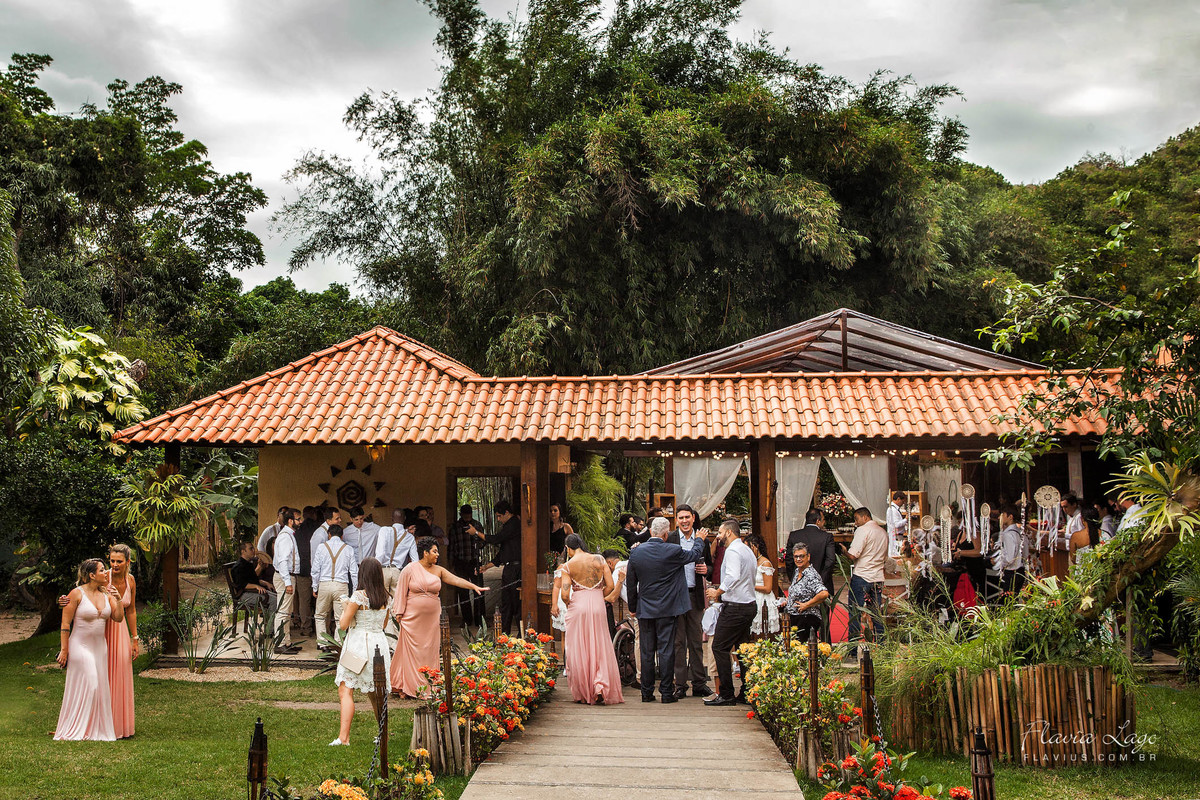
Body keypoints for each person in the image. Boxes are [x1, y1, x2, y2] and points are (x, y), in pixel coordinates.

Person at [624, 516, 710, 703]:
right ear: (665, 534)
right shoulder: (673, 550)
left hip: (645, 608)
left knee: (647, 651)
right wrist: (699, 540)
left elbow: (631, 583)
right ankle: (666, 693)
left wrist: (633, 607)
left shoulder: (637, 553)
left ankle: (646, 693)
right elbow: (694, 555)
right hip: (667, 608)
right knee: (666, 649)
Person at [391, 536, 487, 697]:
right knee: (413, 651)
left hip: (432, 617)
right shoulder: (410, 568)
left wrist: (473, 586)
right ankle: (408, 686)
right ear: (425, 552)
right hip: (412, 618)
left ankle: (428, 684)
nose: (437, 555)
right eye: (434, 551)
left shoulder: (439, 570)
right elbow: (401, 591)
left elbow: (456, 580)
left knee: (429, 649)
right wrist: (399, 613)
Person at [55, 559, 123, 741]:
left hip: (100, 648)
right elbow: (65, 624)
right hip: (80, 645)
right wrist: (64, 650)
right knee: (92, 683)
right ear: (92, 575)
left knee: (100, 688)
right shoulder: (76, 594)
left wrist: (118, 598)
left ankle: (94, 730)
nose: (106, 572)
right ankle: (76, 729)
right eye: (102, 570)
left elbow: (118, 618)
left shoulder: (107, 595)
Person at [329, 557, 392, 746]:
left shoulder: (358, 596)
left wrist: (346, 607)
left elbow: (343, 624)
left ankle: (344, 737)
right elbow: (384, 623)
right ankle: (383, 735)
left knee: (345, 688)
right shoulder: (386, 597)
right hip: (378, 645)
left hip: (358, 646)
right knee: (376, 693)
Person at [560, 534, 624, 705]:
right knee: (600, 644)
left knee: (579, 647)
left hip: (578, 606)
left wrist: (570, 603)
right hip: (598, 604)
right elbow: (610, 586)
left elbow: (565, 594)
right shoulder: (599, 559)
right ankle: (600, 684)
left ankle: (584, 691)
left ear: (569, 548)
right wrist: (596, 596)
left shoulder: (567, 566)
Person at [703, 519, 757, 706]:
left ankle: (726, 693)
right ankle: (748, 690)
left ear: (728, 532)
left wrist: (718, 591)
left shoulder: (733, 550)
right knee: (742, 649)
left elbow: (732, 575)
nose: (717, 536)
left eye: (719, 532)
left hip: (735, 607)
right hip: (747, 604)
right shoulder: (746, 550)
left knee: (719, 647)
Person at [667, 505, 712, 699]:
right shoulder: (670, 539)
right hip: (676, 595)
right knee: (678, 642)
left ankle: (699, 683)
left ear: (693, 518)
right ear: (676, 520)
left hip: (695, 595)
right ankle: (680, 684)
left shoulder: (702, 540)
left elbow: (710, 564)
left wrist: (706, 570)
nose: (684, 521)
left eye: (687, 517)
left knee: (695, 641)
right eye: (681, 518)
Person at [104, 545, 138, 739]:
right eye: (112, 561)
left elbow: (131, 610)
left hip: (121, 632)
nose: (115, 565)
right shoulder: (103, 578)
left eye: (119, 561)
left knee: (120, 675)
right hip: (102, 631)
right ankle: (102, 723)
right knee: (103, 675)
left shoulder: (131, 581)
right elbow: (83, 593)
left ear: (128, 562)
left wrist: (135, 639)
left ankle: (120, 726)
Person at [475, 500, 521, 634]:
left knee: (516, 603)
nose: (499, 519)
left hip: (515, 569)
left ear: (507, 513)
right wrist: (487, 567)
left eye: (499, 516)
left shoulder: (514, 524)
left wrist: (477, 533)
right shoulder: (509, 526)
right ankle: (504, 635)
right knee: (506, 603)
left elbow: (496, 539)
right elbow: (503, 553)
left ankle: (521, 635)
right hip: (508, 568)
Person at [845, 507, 888, 649]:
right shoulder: (883, 532)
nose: (855, 523)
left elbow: (853, 554)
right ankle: (881, 645)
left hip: (862, 576)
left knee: (855, 613)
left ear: (865, 517)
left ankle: (853, 648)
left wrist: (845, 552)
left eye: (856, 519)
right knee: (876, 613)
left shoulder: (863, 530)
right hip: (877, 577)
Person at [313, 524, 359, 643]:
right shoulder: (348, 548)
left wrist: (315, 586)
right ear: (342, 536)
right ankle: (337, 643)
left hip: (324, 583)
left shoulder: (321, 547)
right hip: (341, 585)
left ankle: (322, 643)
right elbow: (354, 572)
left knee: (320, 615)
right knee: (341, 617)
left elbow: (315, 569)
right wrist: (354, 590)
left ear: (329, 534)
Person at [781, 543, 830, 642]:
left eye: (801, 556)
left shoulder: (810, 574)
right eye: (796, 556)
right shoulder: (797, 571)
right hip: (795, 618)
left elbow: (824, 593)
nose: (798, 559)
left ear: (808, 557)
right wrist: (788, 600)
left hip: (807, 618)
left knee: (803, 650)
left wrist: (806, 605)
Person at [271, 508, 303, 653]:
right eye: (298, 519)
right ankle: (279, 643)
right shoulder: (285, 537)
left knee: (286, 611)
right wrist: (288, 582)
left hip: (288, 576)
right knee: (283, 611)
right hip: (285, 577)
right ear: (290, 521)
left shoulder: (289, 535)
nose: (300, 521)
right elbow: (283, 561)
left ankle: (287, 642)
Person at [448, 505, 485, 626]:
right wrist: (451, 564)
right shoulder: (455, 527)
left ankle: (480, 620)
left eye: (469, 514)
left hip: (474, 560)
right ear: (461, 514)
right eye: (465, 515)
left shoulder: (477, 525)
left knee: (478, 590)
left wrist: (478, 543)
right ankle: (467, 620)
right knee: (463, 592)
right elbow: (451, 547)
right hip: (460, 562)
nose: (467, 517)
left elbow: (483, 541)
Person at [783, 509, 837, 592]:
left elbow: (789, 560)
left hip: (799, 581)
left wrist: (794, 578)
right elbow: (830, 560)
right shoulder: (826, 537)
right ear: (818, 521)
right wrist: (820, 580)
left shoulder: (794, 535)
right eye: (823, 520)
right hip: (822, 583)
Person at [376, 508, 419, 599]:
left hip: (383, 570)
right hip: (397, 571)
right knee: (397, 603)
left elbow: (381, 553)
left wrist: (375, 570)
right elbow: (415, 561)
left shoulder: (384, 530)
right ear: (405, 518)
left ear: (392, 518)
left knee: (382, 601)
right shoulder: (409, 537)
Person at [744, 534, 779, 636]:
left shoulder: (765, 563)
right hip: (752, 597)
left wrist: (751, 586)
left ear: (755, 546)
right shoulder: (751, 561)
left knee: (763, 631)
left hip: (763, 599)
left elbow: (768, 588)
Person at [292, 506, 320, 637]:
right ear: (314, 514)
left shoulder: (297, 532)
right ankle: (322, 627)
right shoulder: (319, 529)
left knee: (304, 601)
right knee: (320, 599)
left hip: (302, 569)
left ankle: (306, 627)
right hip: (318, 570)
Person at [232, 541, 278, 613]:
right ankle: (270, 623)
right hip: (244, 594)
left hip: (252, 591)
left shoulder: (248, 563)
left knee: (277, 596)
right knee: (274, 600)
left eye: (253, 548)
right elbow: (242, 584)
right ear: (243, 551)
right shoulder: (239, 566)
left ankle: (273, 621)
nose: (253, 551)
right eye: (251, 549)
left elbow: (253, 579)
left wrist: (265, 583)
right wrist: (256, 586)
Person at [993, 504, 1026, 597]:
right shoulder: (1019, 532)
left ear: (1010, 517)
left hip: (1012, 572)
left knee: (1009, 601)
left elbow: (1010, 558)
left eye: (1002, 515)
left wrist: (999, 562)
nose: (1000, 517)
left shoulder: (1009, 534)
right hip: (1019, 571)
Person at [886, 491, 909, 559]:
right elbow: (896, 525)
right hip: (896, 536)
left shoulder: (895, 509)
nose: (902, 504)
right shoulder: (893, 510)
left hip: (898, 535)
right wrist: (906, 519)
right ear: (898, 499)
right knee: (897, 555)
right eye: (902, 501)